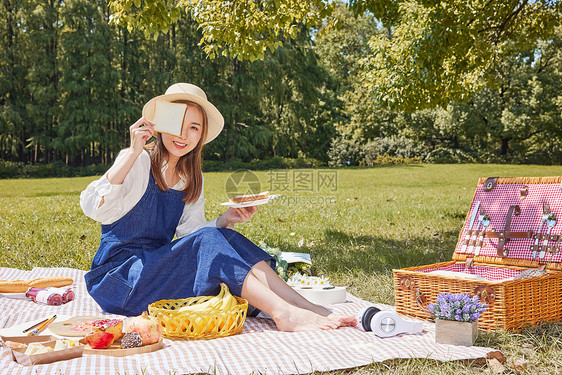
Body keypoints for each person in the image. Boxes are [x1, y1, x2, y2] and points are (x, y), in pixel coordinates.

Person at [80, 83, 356, 331]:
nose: (183, 135)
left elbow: (192, 238)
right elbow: (94, 207)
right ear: (161, 124)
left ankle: (301, 304)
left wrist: (225, 219)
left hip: (155, 274)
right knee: (213, 242)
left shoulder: (189, 180)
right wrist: (132, 152)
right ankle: (282, 312)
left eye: (194, 128)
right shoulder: (136, 161)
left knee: (226, 236)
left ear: (201, 136)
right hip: (119, 281)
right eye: (178, 123)